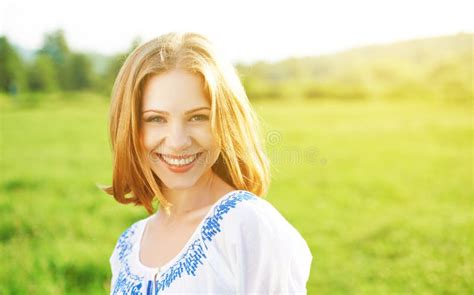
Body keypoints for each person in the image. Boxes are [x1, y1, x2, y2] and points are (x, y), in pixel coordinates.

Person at [99, 31, 313, 294]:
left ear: (225, 121)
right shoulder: (128, 246)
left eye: (198, 117)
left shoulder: (248, 225)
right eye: (156, 119)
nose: (177, 141)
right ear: (129, 126)